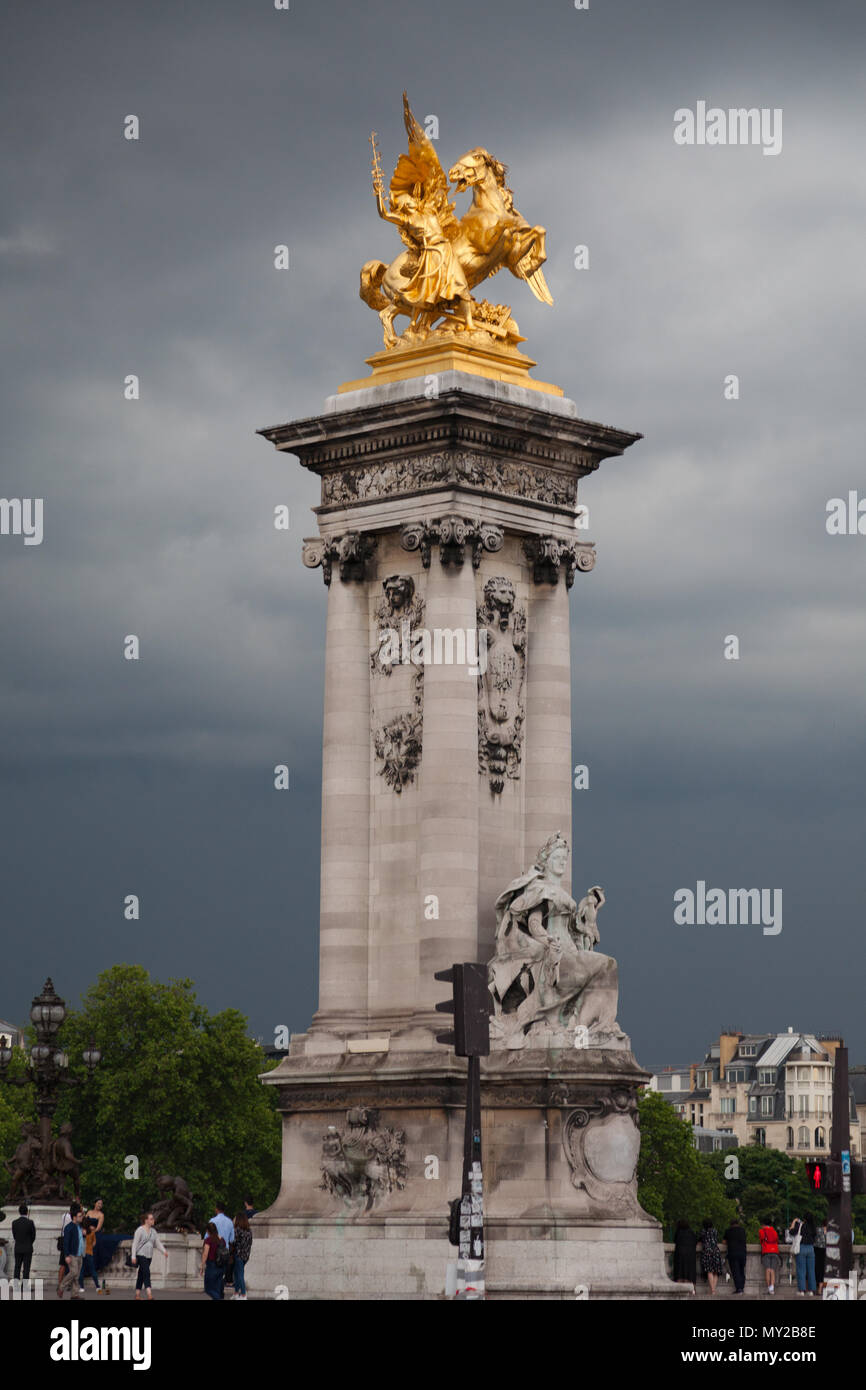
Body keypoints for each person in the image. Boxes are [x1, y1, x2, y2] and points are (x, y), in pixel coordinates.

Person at [130, 1211, 169, 1300]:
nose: (153, 1220)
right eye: (151, 1219)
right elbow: (135, 1244)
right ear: (146, 1220)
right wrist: (133, 1256)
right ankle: (149, 1294)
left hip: (149, 1256)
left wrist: (164, 1251)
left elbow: (157, 1243)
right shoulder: (140, 1230)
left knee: (141, 1275)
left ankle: (137, 1295)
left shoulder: (153, 1231)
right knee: (146, 1273)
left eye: (153, 1219)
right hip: (141, 1255)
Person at [788, 1213, 817, 1296]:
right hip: (811, 1249)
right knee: (811, 1270)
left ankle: (802, 1290)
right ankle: (811, 1290)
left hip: (801, 1248)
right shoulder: (813, 1227)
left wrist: (794, 1221)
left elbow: (791, 1232)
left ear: (804, 1219)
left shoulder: (801, 1225)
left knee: (801, 1270)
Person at [59, 1207, 85, 1299]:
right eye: (79, 1216)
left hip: (80, 1253)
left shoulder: (79, 1226)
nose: (81, 1217)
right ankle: (61, 1287)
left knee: (76, 1276)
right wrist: (66, 1255)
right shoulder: (69, 1227)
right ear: (74, 1217)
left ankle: (74, 1294)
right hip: (72, 1254)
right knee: (73, 1272)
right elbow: (66, 1242)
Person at [57, 1201, 81, 1293]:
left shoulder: (64, 1215)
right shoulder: (73, 1218)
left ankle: (60, 1284)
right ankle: (64, 1285)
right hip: (71, 1242)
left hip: (64, 1239)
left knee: (63, 1265)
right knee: (73, 1268)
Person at [200, 1221, 226, 1300]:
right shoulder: (222, 1240)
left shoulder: (209, 1240)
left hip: (211, 1265)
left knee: (208, 1288)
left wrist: (202, 1266)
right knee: (217, 1287)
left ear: (208, 1231)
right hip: (221, 1266)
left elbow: (205, 1254)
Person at [698, 1218, 724, 1295]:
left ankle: (712, 1290)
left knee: (709, 1270)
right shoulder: (715, 1231)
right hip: (716, 1251)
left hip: (707, 1251)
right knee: (716, 1271)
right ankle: (713, 1290)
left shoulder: (703, 1232)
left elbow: (700, 1241)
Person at [11, 1203, 37, 1281]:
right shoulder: (30, 1222)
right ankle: (25, 1287)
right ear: (27, 1212)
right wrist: (29, 1242)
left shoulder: (14, 1222)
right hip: (27, 1248)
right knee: (26, 1268)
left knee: (17, 1267)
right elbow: (33, 1235)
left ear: (19, 1212)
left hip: (18, 1247)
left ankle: (16, 1286)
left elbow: (14, 1235)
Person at [723, 1217, 747, 1294]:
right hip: (742, 1253)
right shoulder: (742, 1230)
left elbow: (724, 1241)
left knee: (735, 1271)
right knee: (741, 1270)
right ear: (738, 1223)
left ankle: (739, 1288)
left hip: (733, 1253)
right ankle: (742, 1287)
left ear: (731, 1224)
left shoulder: (728, 1231)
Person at [231, 1213, 252, 1299]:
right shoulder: (249, 1231)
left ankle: (243, 1294)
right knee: (237, 1273)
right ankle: (236, 1293)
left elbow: (233, 1241)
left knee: (239, 1275)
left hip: (238, 1254)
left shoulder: (237, 1230)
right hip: (246, 1255)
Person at [78, 1217, 101, 1294]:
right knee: (92, 1270)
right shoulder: (91, 1232)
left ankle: (81, 1287)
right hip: (89, 1252)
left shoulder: (80, 1231)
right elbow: (94, 1242)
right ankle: (97, 1286)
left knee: (81, 1270)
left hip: (81, 1253)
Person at [759, 1218, 781, 1295]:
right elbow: (776, 1239)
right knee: (773, 1270)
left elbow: (761, 1239)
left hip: (766, 1251)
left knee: (768, 1270)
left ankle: (769, 1288)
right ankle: (772, 1289)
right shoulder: (774, 1231)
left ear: (763, 1224)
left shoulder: (762, 1231)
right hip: (775, 1251)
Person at [672, 1220, 697, 1286]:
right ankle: (691, 1288)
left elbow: (675, 1241)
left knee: (679, 1270)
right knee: (690, 1272)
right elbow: (695, 1241)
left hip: (680, 1254)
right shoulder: (691, 1232)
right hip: (690, 1254)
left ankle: (679, 1286)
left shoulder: (678, 1232)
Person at [814, 1220, 827, 1290]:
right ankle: (820, 1288)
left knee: (816, 1269)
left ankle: (816, 1286)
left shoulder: (818, 1229)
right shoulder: (831, 1232)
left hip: (816, 1250)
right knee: (822, 1270)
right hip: (825, 1251)